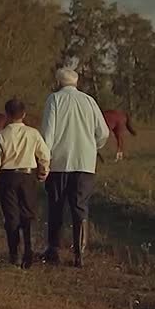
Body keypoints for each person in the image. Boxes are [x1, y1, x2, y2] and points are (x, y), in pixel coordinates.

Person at [39, 67, 109, 267]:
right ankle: (80, 255)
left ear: (58, 82)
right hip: (85, 164)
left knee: (56, 206)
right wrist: (91, 147)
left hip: (59, 164)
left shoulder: (54, 99)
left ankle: (54, 250)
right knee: (80, 208)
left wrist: (44, 160)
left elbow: (48, 134)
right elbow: (103, 132)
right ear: (76, 82)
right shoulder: (89, 101)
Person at [0, 97, 50, 268]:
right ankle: (29, 253)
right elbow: (45, 154)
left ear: (6, 115)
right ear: (24, 114)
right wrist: (44, 171)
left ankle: (14, 254)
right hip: (28, 176)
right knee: (28, 215)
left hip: (8, 178)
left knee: (11, 217)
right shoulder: (33, 133)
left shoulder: (1, 136)